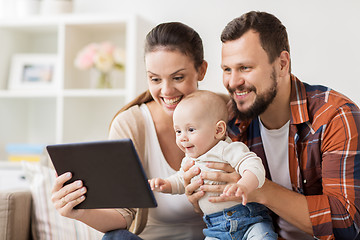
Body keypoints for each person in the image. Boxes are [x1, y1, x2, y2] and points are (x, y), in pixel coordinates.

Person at [182, 11, 360, 240]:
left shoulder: (336, 117)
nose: (232, 82)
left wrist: (260, 189)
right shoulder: (228, 123)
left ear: (282, 64)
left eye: (245, 67)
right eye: (227, 69)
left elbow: (346, 224)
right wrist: (201, 195)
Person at [50, 22, 209, 240]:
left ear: (201, 70)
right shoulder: (131, 124)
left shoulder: (224, 113)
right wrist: (79, 210)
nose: (166, 90)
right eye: (155, 79)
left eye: (178, 77)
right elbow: (123, 217)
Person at [148, 90, 277, 240]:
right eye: (178, 131)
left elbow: (254, 166)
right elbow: (180, 180)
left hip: (249, 220)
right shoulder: (189, 160)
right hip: (216, 228)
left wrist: (244, 185)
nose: (183, 137)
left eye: (190, 129)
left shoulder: (227, 149)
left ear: (218, 130)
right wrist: (166, 184)